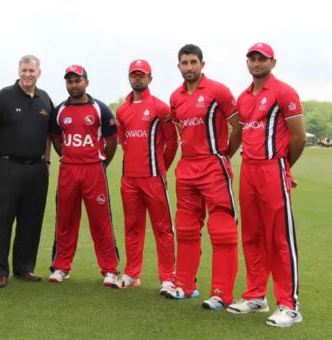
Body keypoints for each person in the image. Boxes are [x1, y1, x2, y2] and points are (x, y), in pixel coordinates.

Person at [226, 43, 306, 327]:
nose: (257, 63)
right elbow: (239, 131)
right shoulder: (244, 96)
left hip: (273, 168)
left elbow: (299, 137)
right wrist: (225, 156)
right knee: (252, 235)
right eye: (252, 58)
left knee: (280, 239)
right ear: (247, 62)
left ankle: (290, 305)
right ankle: (256, 296)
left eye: (262, 59)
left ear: (273, 61)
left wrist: (284, 166)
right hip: (249, 170)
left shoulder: (284, 92)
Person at [169, 44, 242, 310]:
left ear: (202, 64)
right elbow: (182, 133)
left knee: (222, 231)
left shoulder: (218, 91)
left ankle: (222, 294)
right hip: (187, 168)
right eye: (184, 63)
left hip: (213, 167)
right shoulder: (175, 97)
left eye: (193, 62)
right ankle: (185, 286)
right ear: (178, 66)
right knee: (187, 230)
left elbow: (239, 126)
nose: (189, 67)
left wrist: (224, 155)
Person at [0, 55, 53, 288]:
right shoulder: (4, 97)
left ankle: (24, 267)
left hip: (36, 169)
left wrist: (47, 162)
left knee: (31, 220)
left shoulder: (45, 100)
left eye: (32, 71)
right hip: (6, 167)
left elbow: (48, 135)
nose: (28, 75)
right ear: (19, 71)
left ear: (39, 73)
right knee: (2, 219)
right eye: (24, 70)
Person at [47, 65, 120, 287]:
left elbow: (112, 141)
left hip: (94, 170)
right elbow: (56, 139)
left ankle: (110, 269)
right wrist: (69, 156)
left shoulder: (100, 109)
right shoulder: (59, 110)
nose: (74, 85)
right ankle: (61, 267)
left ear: (86, 81)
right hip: (68, 170)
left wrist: (102, 162)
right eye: (69, 81)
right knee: (65, 219)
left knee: (101, 221)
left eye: (77, 80)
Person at [115, 60, 178, 295]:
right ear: (129, 78)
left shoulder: (161, 108)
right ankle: (132, 274)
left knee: (163, 228)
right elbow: (124, 141)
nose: (137, 79)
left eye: (142, 75)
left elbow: (172, 142)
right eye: (134, 75)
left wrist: (162, 168)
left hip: (153, 178)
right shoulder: (122, 110)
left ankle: (168, 278)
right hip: (128, 179)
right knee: (132, 226)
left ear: (150, 78)